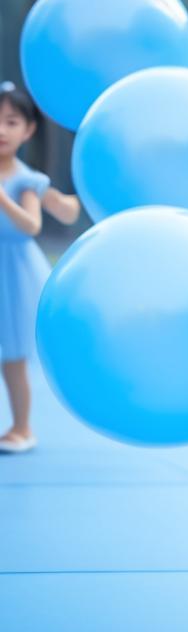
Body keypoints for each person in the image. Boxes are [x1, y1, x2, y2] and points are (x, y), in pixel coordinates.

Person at [0, 82, 80, 454]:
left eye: (11, 122)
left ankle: (21, 427)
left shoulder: (24, 180)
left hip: (13, 272)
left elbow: (31, 226)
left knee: (13, 355)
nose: (2, 130)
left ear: (28, 130)